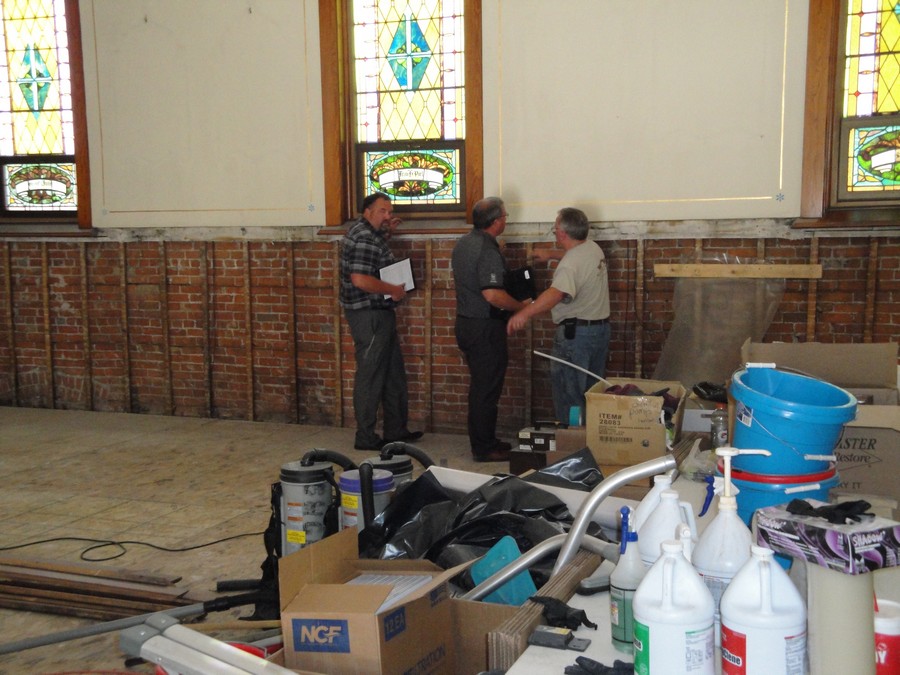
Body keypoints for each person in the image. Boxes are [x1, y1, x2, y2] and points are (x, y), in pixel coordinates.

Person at [507, 206, 610, 424]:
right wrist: (551, 254)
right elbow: (576, 260)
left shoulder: (569, 266)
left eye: (555, 228)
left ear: (562, 233)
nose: (554, 231)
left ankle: (571, 438)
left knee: (570, 393)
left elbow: (556, 293)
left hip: (576, 337)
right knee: (591, 392)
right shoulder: (593, 248)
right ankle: (590, 437)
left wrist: (524, 313)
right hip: (599, 331)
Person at [340, 192, 423, 450]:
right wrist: (393, 289)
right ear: (367, 212)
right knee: (372, 375)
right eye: (382, 211)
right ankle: (365, 436)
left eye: (390, 211)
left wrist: (388, 232)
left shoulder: (369, 233)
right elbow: (360, 279)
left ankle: (395, 430)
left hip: (378, 313)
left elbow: (372, 258)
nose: (388, 215)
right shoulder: (364, 237)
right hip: (369, 315)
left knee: (392, 372)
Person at [452, 197, 530, 462]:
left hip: (466, 323)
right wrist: (520, 307)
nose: (506, 219)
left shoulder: (464, 243)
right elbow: (492, 294)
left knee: (481, 386)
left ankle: (486, 439)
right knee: (486, 389)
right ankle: (484, 448)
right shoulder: (487, 250)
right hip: (485, 327)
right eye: (505, 216)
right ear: (497, 222)